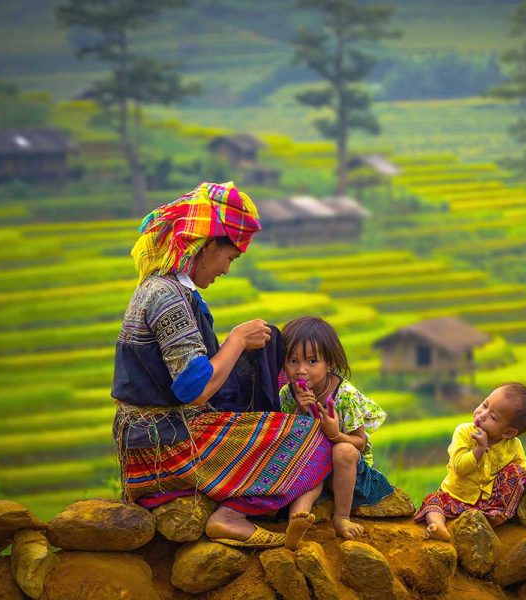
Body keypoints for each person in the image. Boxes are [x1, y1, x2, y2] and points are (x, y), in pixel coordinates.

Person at [112, 181, 331, 550]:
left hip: (159, 435)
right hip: (166, 444)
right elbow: (194, 389)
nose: (227, 270)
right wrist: (235, 341)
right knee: (314, 439)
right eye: (229, 258)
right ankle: (233, 516)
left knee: (268, 347)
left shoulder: (167, 289)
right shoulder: (167, 296)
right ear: (208, 245)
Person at [279, 316, 394, 541]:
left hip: (349, 468)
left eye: (312, 361)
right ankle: (296, 523)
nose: (301, 370)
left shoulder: (344, 395)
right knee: (310, 461)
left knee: (342, 450)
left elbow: (359, 443)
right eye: (292, 361)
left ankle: (342, 517)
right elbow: (293, 439)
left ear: (329, 363)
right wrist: (302, 412)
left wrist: (335, 434)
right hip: (315, 467)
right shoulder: (287, 395)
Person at [414, 382, 526, 541]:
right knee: (434, 504)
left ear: (508, 432)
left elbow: (522, 469)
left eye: (493, 417)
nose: (482, 414)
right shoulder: (464, 432)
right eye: (484, 405)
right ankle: (439, 527)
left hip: (487, 503)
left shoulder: (513, 446)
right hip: (454, 497)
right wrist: (479, 449)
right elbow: (459, 467)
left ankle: (491, 520)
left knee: (516, 473)